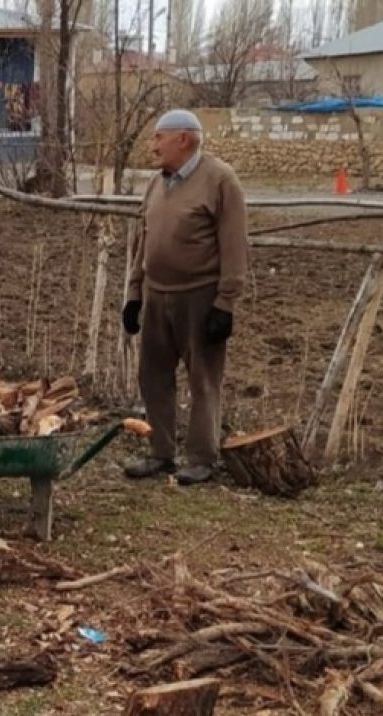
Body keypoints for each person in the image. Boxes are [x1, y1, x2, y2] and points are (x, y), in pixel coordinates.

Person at [122, 109, 250, 486]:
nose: (153, 145)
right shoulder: (156, 184)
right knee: (154, 376)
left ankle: (201, 457)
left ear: (184, 139)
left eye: (159, 137)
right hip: (158, 293)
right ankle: (161, 451)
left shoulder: (221, 181)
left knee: (203, 378)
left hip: (200, 296)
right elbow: (142, 242)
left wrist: (225, 302)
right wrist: (134, 293)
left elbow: (234, 245)